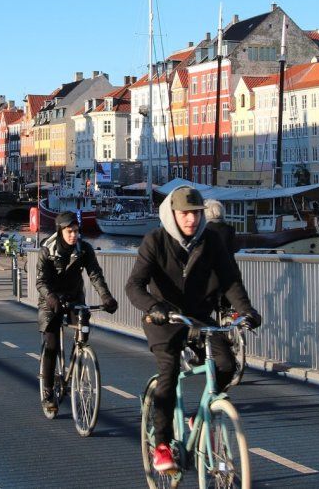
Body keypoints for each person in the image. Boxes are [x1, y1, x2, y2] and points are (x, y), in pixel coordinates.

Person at [125, 186, 260, 472]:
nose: (191, 220)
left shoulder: (211, 241)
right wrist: (153, 307)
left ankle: (201, 415)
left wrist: (246, 310)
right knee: (169, 372)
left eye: (196, 214)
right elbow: (134, 285)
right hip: (165, 319)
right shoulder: (155, 241)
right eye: (185, 214)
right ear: (172, 214)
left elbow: (230, 280)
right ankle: (162, 445)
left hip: (199, 317)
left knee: (226, 366)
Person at [36, 211, 119, 416]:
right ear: (61, 230)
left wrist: (106, 297)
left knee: (83, 329)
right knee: (52, 344)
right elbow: (41, 282)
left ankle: (79, 359)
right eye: (69, 231)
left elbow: (94, 274)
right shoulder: (47, 249)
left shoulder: (84, 249)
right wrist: (52, 299)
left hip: (74, 296)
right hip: (50, 299)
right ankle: (48, 393)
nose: (74, 235)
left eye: (76, 231)